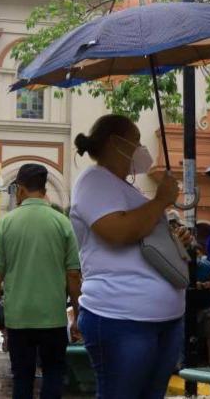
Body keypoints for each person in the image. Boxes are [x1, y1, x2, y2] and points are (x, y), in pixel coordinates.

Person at [69, 114, 183, 399]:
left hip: (160, 320)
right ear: (115, 143)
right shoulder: (93, 181)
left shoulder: (125, 189)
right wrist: (160, 201)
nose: (140, 149)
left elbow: (143, 233)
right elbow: (117, 231)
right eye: (136, 142)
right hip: (121, 319)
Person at [0, 163, 82, 399]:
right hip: (53, 318)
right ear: (43, 187)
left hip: (18, 320)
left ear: (19, 189)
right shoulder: (62, 223)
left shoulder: (5, 224)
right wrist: (78, 316)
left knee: (22, 378)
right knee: (53, 374)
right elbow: (73, 275)